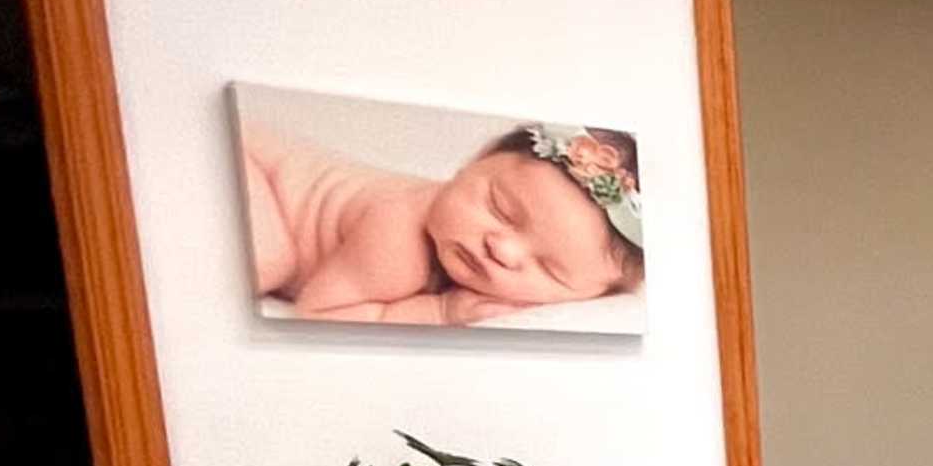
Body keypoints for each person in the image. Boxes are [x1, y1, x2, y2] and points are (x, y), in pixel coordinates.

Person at [245, 120, 641, 324]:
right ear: (477, 160)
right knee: (270, 259)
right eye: (500, 208)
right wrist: (440, 312)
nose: (502, 250)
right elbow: (319, 312)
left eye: (550, 269)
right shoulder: (399, 237)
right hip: (255, 167)